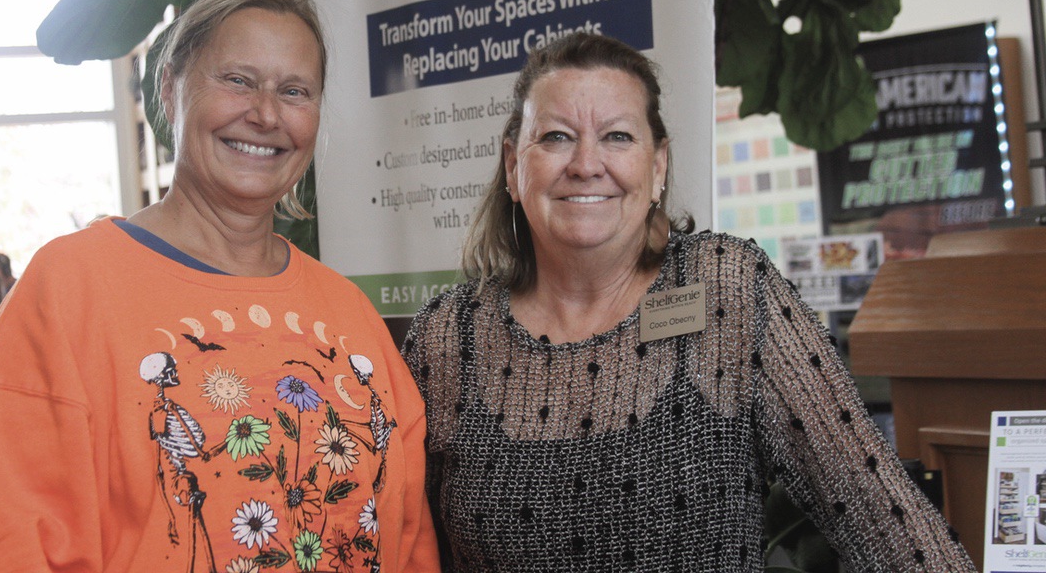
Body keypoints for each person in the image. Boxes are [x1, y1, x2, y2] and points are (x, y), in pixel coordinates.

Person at [401, 33, 976, 572]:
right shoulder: (449, 338)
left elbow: (883, 517)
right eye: (555, 137)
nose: (585, 163)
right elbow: (395, 548)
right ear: (512, 166)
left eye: (618, 136)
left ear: (657, 168)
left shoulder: (727, 290)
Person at [0, 0, 439, 573]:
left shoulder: (349, 314)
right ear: (169, 88)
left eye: (295, 91)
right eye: (238, 80)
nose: (266, 114)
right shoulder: (68, 289)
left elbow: (409, 539)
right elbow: (15, 546)